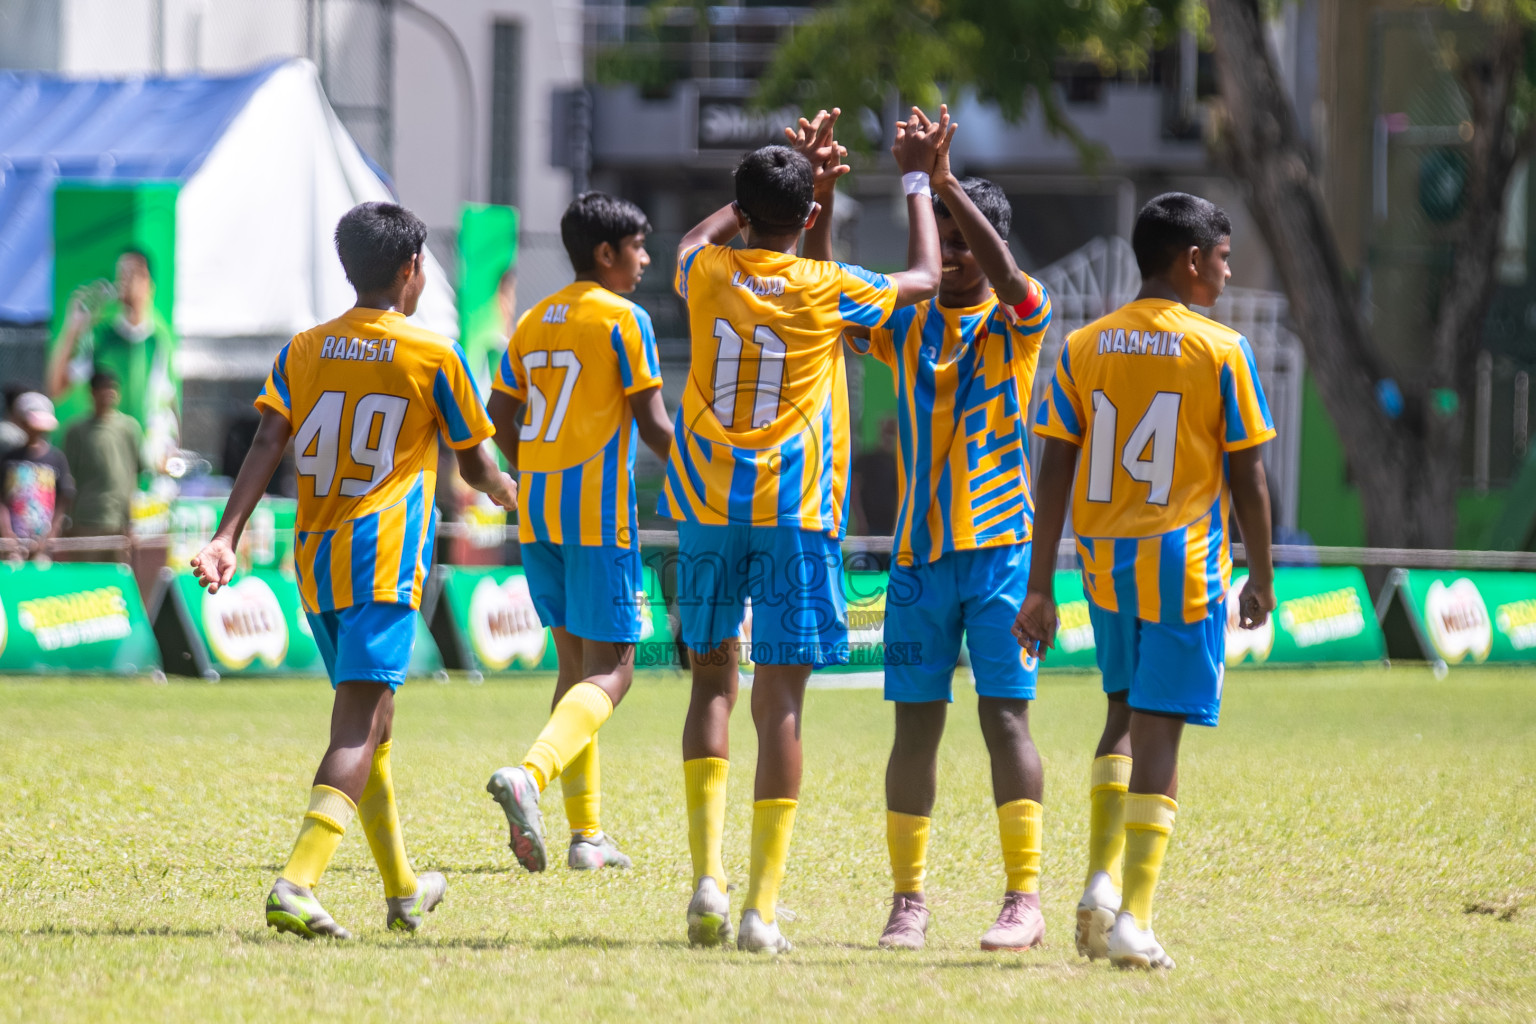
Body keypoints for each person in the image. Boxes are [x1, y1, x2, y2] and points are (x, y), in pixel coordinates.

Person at [189, 202, 516, 940]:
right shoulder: (436, 355)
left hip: (317, 557)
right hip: (384, 560)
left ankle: (402, 891)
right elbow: (475, 461)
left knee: (377, 724)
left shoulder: (306, 347)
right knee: (357, 726)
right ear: (411, 271)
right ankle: (296, 883)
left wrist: (226, 534)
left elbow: (269, 439)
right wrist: (507, 489)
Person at [661, 106, 944, 953]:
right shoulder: (829, 288)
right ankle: (761, 910)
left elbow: (683, 245)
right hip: (796, 516)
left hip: (708, 509)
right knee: (780, 704)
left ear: (744, 214)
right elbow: (925, 278)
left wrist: (746, 206)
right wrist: (917, 180)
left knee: (712, 686)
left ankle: (706, 883)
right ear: (812, 221)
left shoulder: (707, 273)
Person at [1016, 192, 1277, 970]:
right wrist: (1261, 574)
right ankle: (1134, 917)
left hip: (1104, 563)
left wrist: (1040, 584)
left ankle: (1098, 882)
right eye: (1224, 259)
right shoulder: (1222, 349)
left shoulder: (1084, 345)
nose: (1227, 274)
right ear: (1191, 261)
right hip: (1181, 563)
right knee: (1161, 733)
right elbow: (1250, 477)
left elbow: (1054, 466)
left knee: (1121, 713)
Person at [844, 165, 1054, 951]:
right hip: (916, 563)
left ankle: (1022, 900)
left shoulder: (1019, 321)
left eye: (969, 243)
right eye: (947, 243)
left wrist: (940, 181)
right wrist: (829, 197)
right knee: (914, 729)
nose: (958, 258)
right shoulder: (900, 328)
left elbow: (1012, 278)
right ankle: (908, 902)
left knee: (1005, 718)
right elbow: (833, 293)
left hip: (1002, 556)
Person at [483, 192, 673, 875]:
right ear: (606, 253)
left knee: (574, 671)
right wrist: (703, 469)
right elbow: (653, 424)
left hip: (540, 513)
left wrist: (529, 464)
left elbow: (496, 414)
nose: (646, 260)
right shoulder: (625, 319)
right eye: (639, 247)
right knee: (616, 669)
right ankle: (532, 775)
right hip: (598, 514)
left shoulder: (534, 320)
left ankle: (585, 836)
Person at [47, 248, 180, 471]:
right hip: (104, 461)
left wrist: (171, 449)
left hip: (147, 465)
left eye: (131, 273)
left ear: (147, 282)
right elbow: (57, 387)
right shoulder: (101, 335)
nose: (123, 281)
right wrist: (73, 328)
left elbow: (168, 402)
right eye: (120, 274)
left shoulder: (159, 340)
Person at [63, 371, 143, 541]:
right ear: (92, 393)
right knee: (87, 567)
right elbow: (68, 478)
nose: (109, 392)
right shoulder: (77, 431)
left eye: (113, 387)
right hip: (86, 518)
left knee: (120, 567)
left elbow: (136, 471)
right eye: (103, 388)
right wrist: (68, 517)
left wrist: (132, 517)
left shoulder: (129, 428)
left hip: (121, 520)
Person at [0, 392, 74, 559]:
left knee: (42, 574)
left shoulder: (56, 458)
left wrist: (52, 532)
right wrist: (7, 533)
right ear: (22, 422)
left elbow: (64, 497)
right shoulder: (9, 459)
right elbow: (2, 499)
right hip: (14, 542)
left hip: (43, 541)